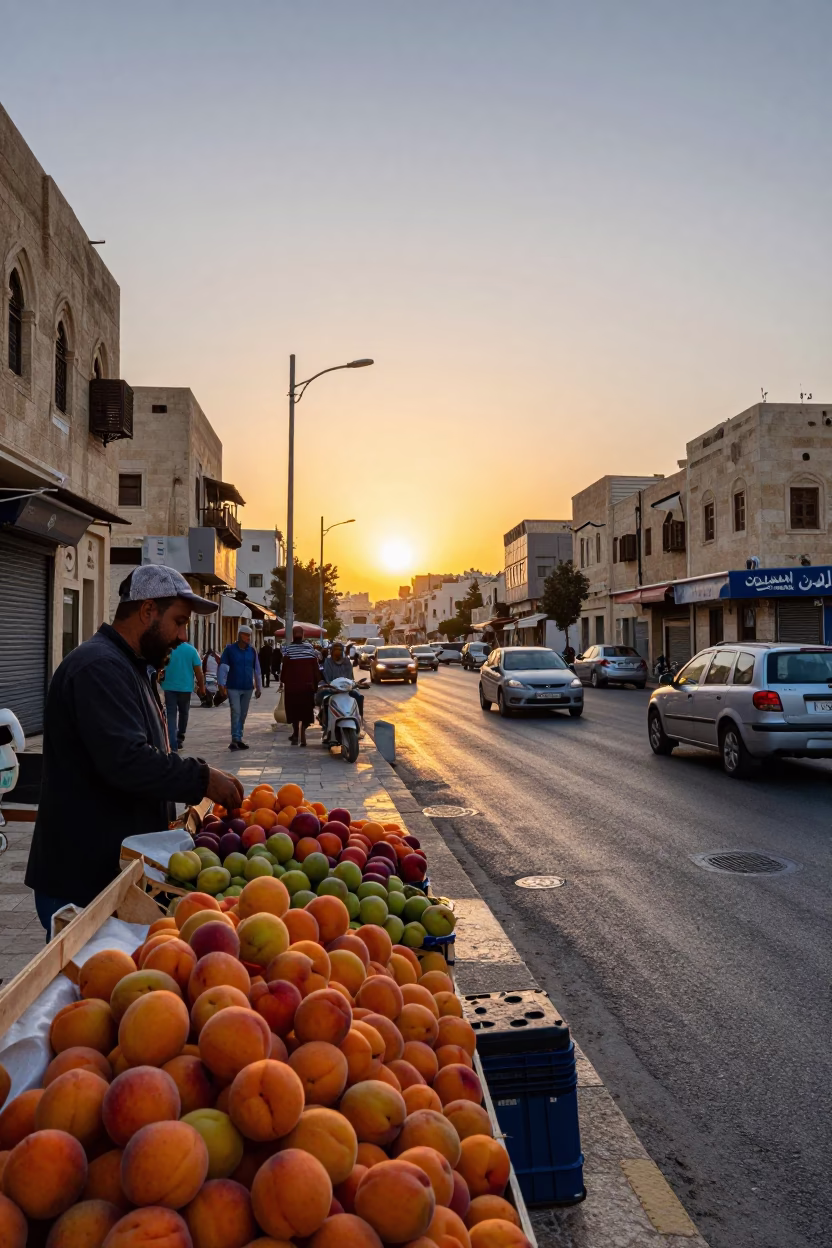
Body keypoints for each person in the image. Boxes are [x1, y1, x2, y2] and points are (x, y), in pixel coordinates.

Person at [25, 566, 243, 935]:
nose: (182, 635)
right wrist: (201, 778)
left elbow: (145, 752)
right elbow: (127, 761)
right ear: (147, 612)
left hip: (110, 873)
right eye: (178, 621)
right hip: (84, 880)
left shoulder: (131, 666)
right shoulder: (99, 667)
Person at [218, 626, 262, 750]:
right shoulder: (230, 650)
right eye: (245, 635)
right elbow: (223, 667)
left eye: (249, 635)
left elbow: (257, 670)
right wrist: (221, 684)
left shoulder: (252, 651)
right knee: (236, 712)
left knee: (243, 714)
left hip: (248, 687)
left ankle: (239, 737)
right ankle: (235, 739)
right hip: (233, 686)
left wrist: (259, 687)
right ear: (239, 636)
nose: (248, 638)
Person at [160, 637, 206, 750]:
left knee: (171, 714)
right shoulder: (191, 650)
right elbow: (198, 671)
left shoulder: (168, 649)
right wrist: (202, 686)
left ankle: (172, 743)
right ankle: (180, 736)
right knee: (184, 712)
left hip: (169, 686)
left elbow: (160, 667)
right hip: (185, 688)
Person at [281, 626, 319, 746]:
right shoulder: (310, 648)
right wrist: (316, 684)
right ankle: (303, 730)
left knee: (294, 710)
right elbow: (315, 668)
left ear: (293, 635)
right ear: (303, 635)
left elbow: (284, 667)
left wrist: (282, 681)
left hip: (292, 687)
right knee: (306, 710)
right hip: (307, 686)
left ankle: (296, 732)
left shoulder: (288, 649)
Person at [318, 641, 365, 736]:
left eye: (339, 649)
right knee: (323, 698)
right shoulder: (328, 661)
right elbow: (327, 676)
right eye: (336, 649)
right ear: (331, 651)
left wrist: (351, 685)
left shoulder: (347, 661)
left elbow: (350, 676)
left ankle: (359, 719)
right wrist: (330, 685)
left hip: (346, 688)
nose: (337, 651)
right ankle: (325, 723)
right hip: (333, 687)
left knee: (359, 696)